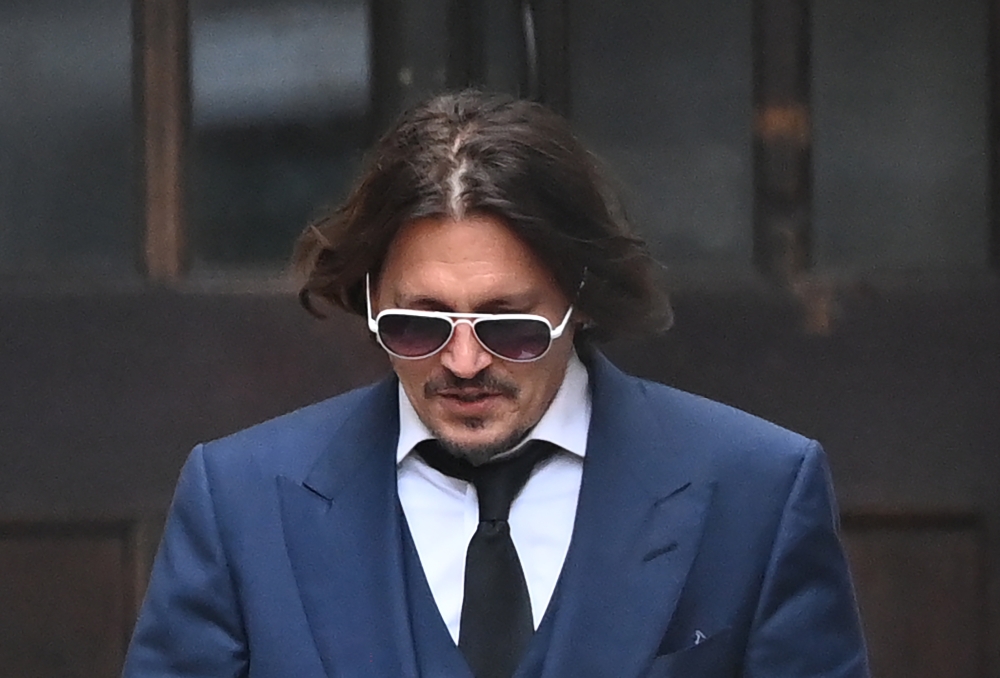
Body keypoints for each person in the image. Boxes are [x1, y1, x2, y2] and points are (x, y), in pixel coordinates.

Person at [123, 90, 869, 678]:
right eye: (418, 324)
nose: (463, 362)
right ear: (371, 299)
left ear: (580, 300)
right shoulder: (243, 500)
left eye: (509, 326)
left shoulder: (756, 491)